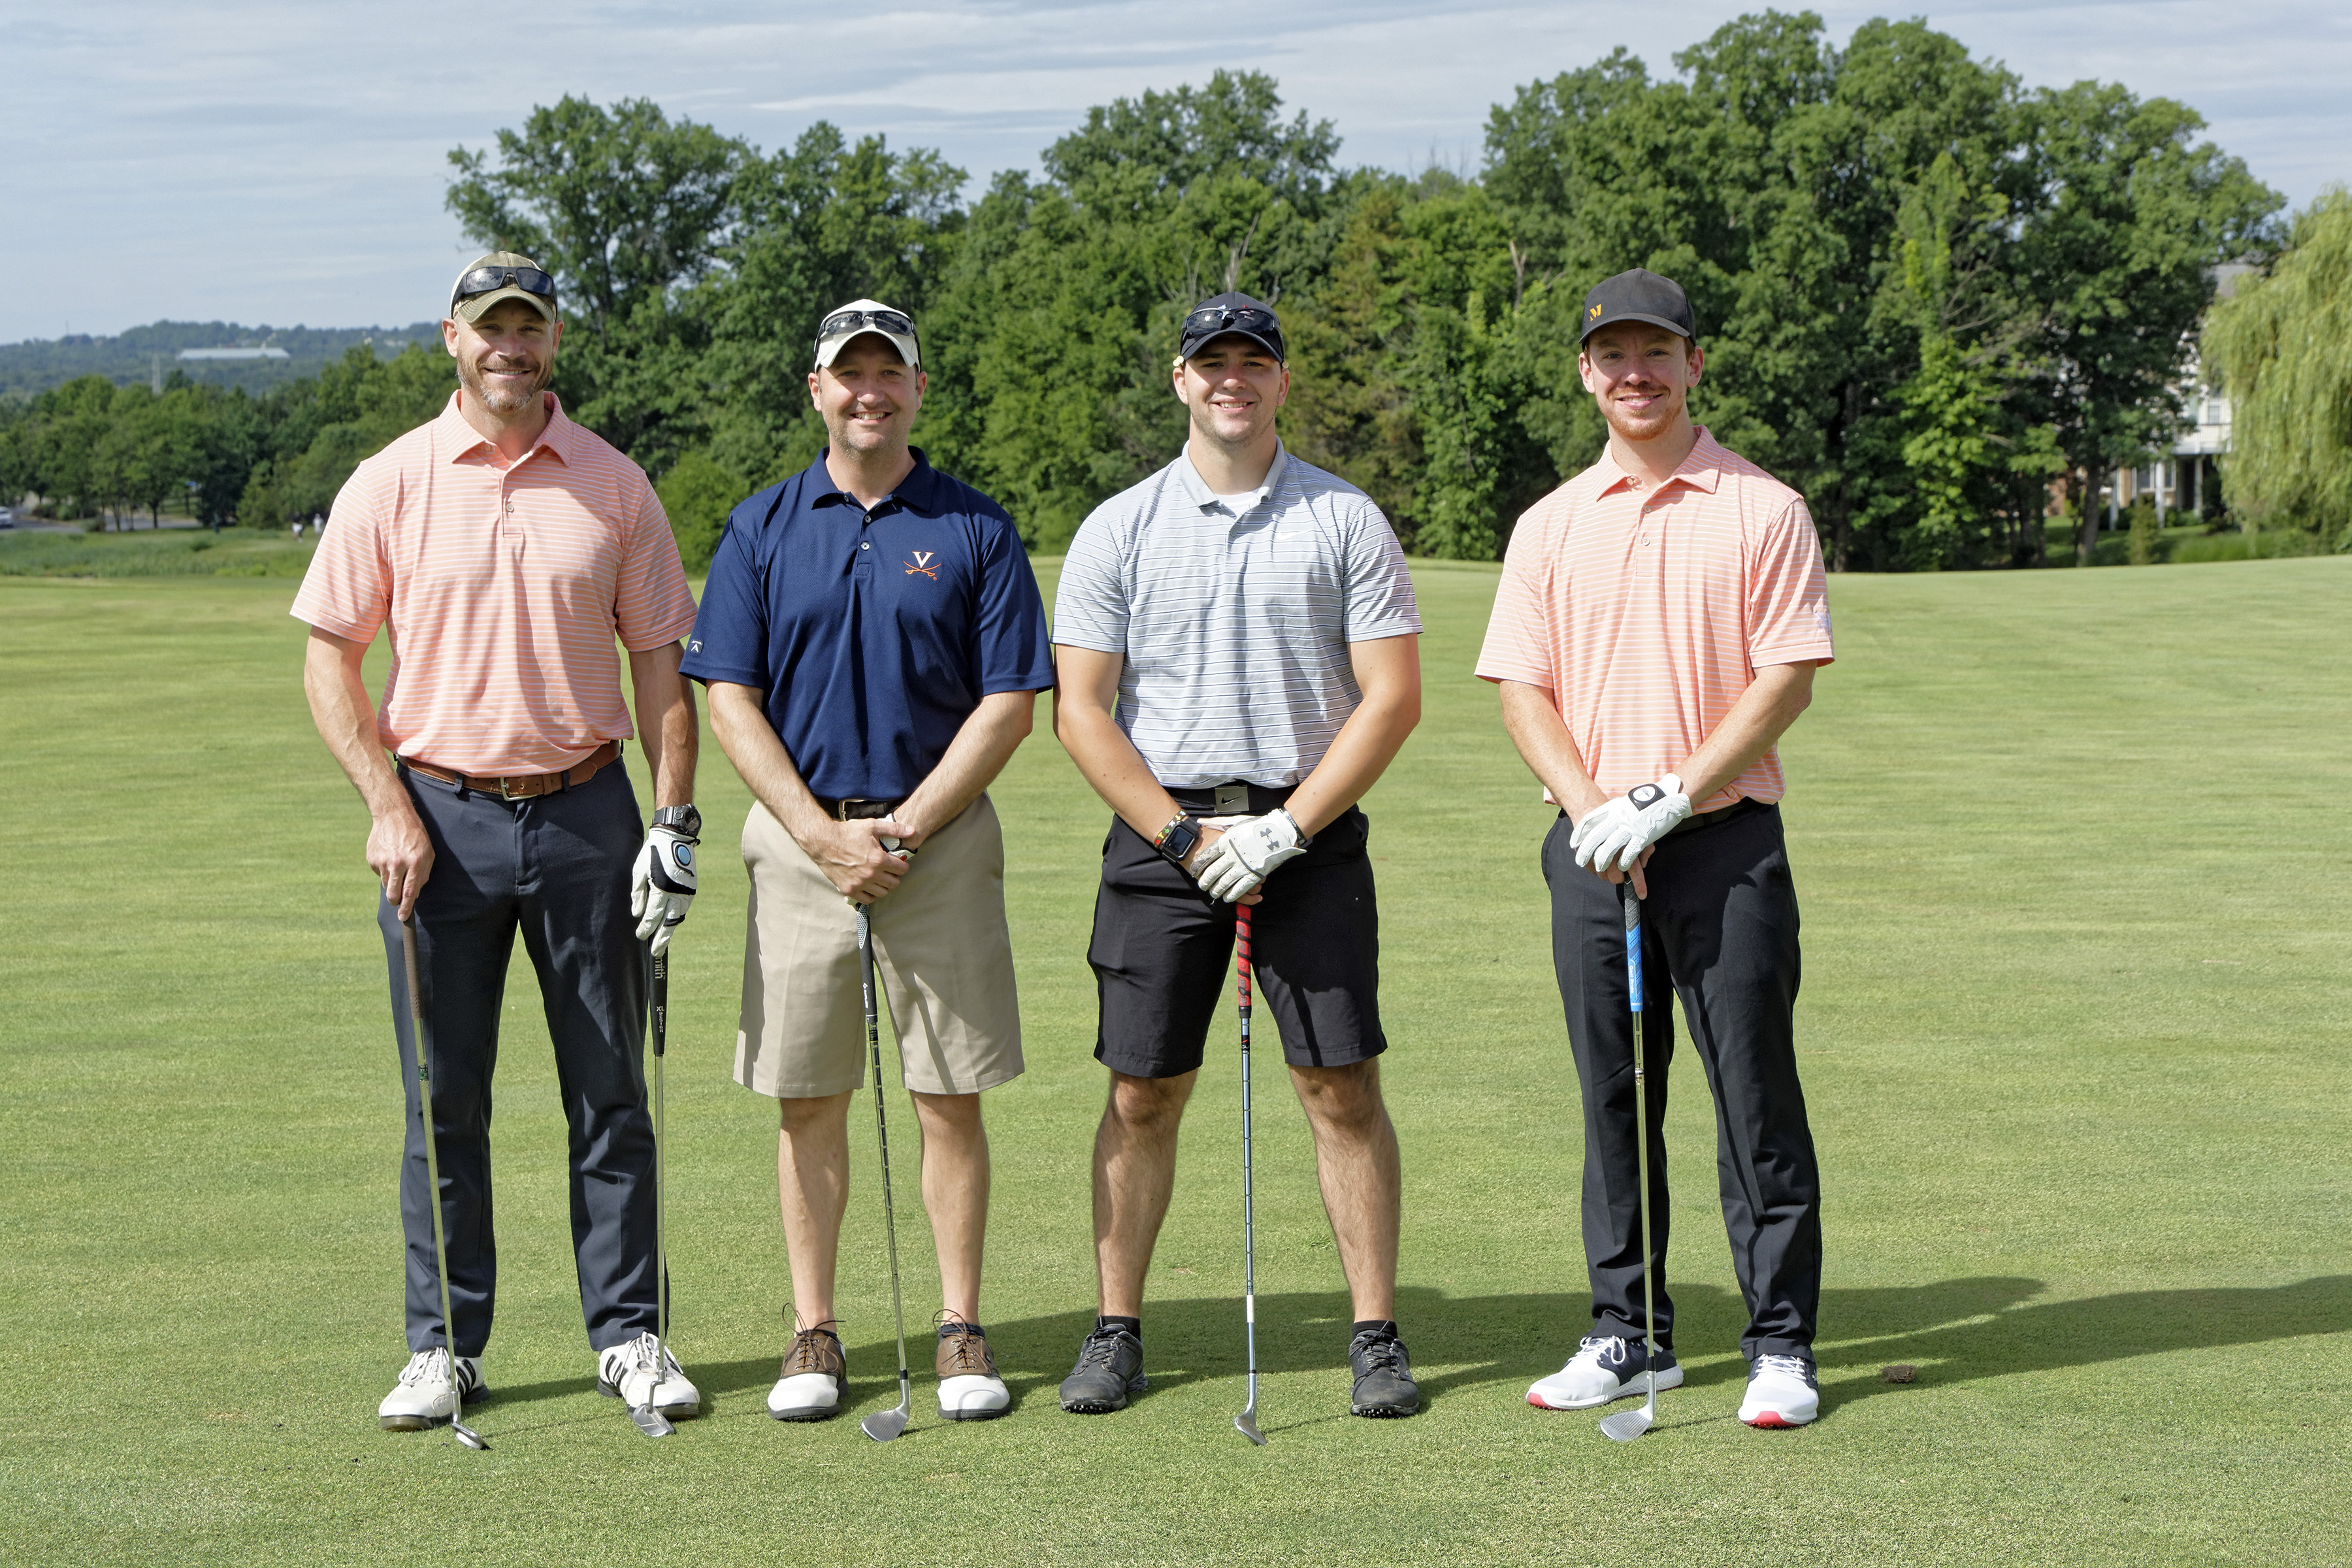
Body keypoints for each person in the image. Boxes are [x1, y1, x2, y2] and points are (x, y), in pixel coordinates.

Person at [295, 250, 707, 1434]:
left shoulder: (616, 484)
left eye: (527, 328)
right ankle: (443, 1347)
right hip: (440, 821)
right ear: (454, 339)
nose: (508, 348)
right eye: (490, 328)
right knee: (443, 1100)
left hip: (588, 814)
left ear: (553, 341)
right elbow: (330, 660)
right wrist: (385, 804)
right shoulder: (391, 481)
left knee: (611, 1092)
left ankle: (627, 1335)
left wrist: (672, 823)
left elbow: (660, 671)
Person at [1051, 292, 1426, 1420]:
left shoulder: (1344, 518)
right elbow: (1081, 710)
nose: (1232, 380)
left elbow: (1391, 698)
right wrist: (1180, 835)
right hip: (1161, 835)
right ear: (1181, 380)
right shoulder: (1119, 527)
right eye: (1211, 362)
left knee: (1339, 1086)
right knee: (1142, 1091)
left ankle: (1376, 1336)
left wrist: (1288, 827)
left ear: (1281, 381)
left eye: (1252, 362)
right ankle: (1116, 1329)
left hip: (1307, 833)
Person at [683, 299, 1053, 1425]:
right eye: (850, 374)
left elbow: (1009, 704)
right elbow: (729, 699)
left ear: (918, 389)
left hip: (937, 847)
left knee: (949, 1095)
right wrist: (818, 834)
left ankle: (959, 1324)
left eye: (890, 373)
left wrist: (907, 828)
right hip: (803, 848)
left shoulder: (976, 527)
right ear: (818, 390)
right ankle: (814, 1330)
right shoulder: (760, 526)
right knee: (806, 1098)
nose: (869, 392)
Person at [1477, 268, 1836, 1428]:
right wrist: (1597, 813)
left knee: (1753, 1098)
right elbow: (1521, 689)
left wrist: (1671, 797)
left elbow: (1786, 678)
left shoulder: (1762, 508)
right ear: (1587, 373)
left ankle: (1779, 1344)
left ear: (1693, 363)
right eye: (1613, 356)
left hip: (1724, 849)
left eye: (1657, 353)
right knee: (1615, 1100)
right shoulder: (1549, 524)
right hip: (1592, 854)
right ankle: (1629, 1333)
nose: (1636, 374)